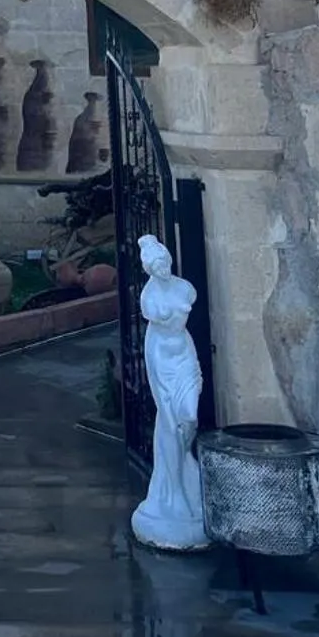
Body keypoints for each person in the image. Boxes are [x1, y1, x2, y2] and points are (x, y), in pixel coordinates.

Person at [130, 233, 207, 550]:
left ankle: (187, 465)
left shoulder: (184, 287)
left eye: (164, 262)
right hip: (161, 358)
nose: (161, 268)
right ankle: (173, 489)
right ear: (148, 268)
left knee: (188, 417)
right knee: (170, 419)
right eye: (155, 264)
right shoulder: (149, 297)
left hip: (184, 355)